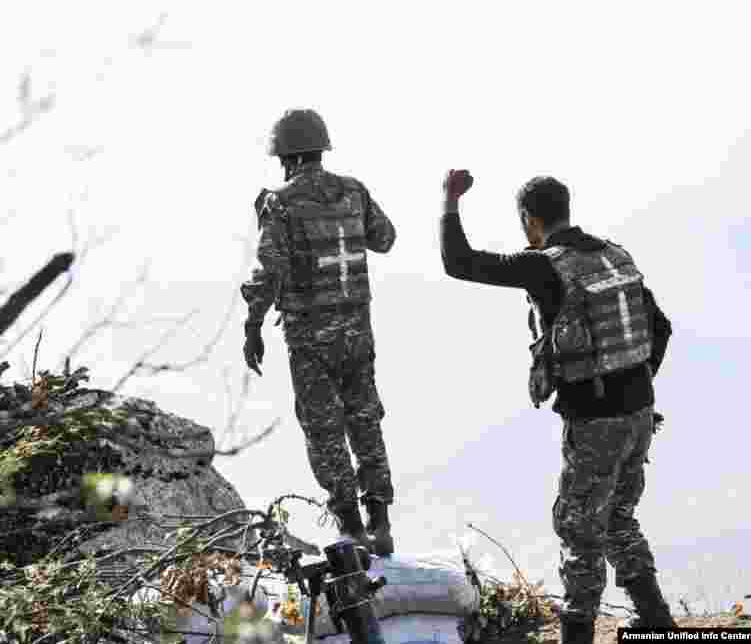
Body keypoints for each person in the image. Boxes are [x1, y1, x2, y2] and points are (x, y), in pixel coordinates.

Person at [439, 170, 677, 643]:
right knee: (617, 516)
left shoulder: (544, 266)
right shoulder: (616, 256)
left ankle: (578, 633)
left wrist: (450, 201)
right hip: (640, 411)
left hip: (595, 419)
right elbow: (661, 327)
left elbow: (460, 262)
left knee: (579, 527)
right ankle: (655, 620)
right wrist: (636, 385)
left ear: (530, 220)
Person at [240, 109, 396, 556]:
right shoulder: (353, 190)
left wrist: (253, 327)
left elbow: (269, 270)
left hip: (310, 340)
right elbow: (385, 238)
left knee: (325, 430)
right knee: (366, 420)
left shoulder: (280, 202)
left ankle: (352, 528)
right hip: (357, 334)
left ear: (284, 156)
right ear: (321, 148)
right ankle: (380, 521)